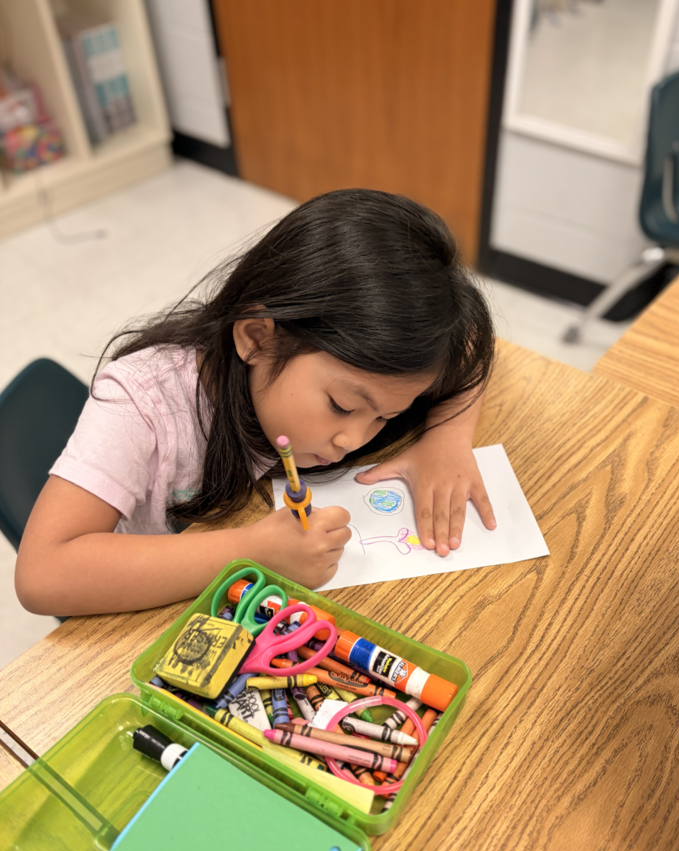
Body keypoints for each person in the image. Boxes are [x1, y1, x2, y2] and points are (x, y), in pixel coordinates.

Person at [16, 189, 496, 616]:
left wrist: (447, 439)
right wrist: (251, 551)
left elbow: (471, 337)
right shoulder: (141, 402)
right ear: (256, 338)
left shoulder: (335, 378)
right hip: (137, 608)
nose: (353, 440)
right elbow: (41, 576)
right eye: (342, 405)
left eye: (386, 417)